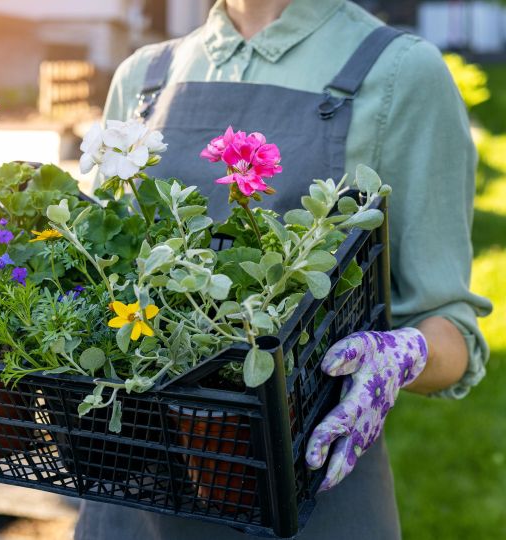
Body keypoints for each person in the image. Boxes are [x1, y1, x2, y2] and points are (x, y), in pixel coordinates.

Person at [74, 0, 492, 538]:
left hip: (308, 498)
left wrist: (400, 357)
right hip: (131, 496)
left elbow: (451, 331)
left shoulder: (399, 73)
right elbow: (97, 269)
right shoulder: (144, 75)